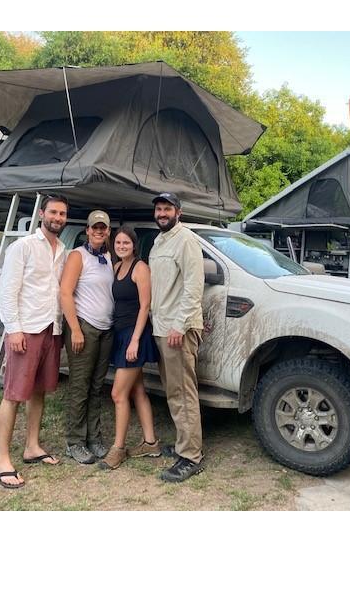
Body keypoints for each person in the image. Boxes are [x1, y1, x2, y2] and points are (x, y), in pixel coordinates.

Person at [0, 194, 69, 489]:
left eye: (63, 214)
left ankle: (32, 446)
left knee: (40, 391)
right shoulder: (22, 247)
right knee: (14, 393)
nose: (58, 218)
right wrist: (13, 329)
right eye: (53, 212)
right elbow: (8, 290)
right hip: (26, 330)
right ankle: (2, 458)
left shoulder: (63, 250)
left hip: (52, 328)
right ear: (42, 214)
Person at [149, 192, 205, 483]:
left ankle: (191, 457)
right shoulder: (160, 242)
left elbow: (194, 287)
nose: (162, 213)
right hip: (161, 328)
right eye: (159, 209)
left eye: (167, 208)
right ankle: (185, 445)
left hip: (177, 331)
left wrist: (179, 326)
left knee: (183, 393)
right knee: (173, 392)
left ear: (178, 212)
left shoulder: (186, 240)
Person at [98, 226, 161, 470]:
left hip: (134, 336)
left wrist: (135, 340)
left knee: (117, 394)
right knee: (137, 391)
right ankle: (150, 442)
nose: (122, 246)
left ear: (134, 245)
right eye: (118, 243)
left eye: (126, 243)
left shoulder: (140, 268)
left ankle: (118, 449)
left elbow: (145, 306)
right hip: (120, 333)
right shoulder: (116, 267)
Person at [60, 209, 115, 464]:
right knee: (79, 386)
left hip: (105, 329)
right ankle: (74, 441)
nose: (98, 231)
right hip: (84, 327)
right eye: (95, 227)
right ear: (87, 229)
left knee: (96, 387)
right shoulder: (77, 256)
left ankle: (94, 437)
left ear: (108, 231)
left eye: (103, 228)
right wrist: (76, 329)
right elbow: (65, 293)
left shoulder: (108, 256)